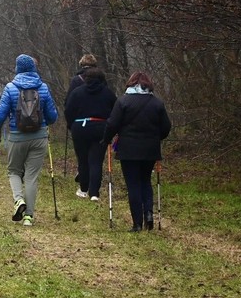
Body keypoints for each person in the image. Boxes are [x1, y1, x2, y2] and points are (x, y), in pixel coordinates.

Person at [102, 72, 171, 232]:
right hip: (150, 150)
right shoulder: (157, 103)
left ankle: (137, 223)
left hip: (128, 150)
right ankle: (149, 215)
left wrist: (106, 139)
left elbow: (112, 124)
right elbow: (166, 128)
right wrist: (156, 137)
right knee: (145, 181)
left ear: (131, 84)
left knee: (133, 184)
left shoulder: (123, 101)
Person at [0, 54, 58, 226]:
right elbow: (53, 117)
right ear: (34, 68)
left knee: (14, 171)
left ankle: (18, 200)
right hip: (39, 137)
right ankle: (29, 216)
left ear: (17, 68)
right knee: (31, 177)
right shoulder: (43, 87)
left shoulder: (10, 87)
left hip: (16, 137)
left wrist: (0, 125)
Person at [64, 68, 116, 201]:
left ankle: (83, 189)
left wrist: (71, 125)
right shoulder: (108, 93)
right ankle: (94, 193)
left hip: (80, 127)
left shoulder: (77, 92)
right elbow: (115, 112)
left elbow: (68, 110)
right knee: (96, 161)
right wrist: (111, 128)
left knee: (83, 160)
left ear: (86, 79)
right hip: (100, 128)